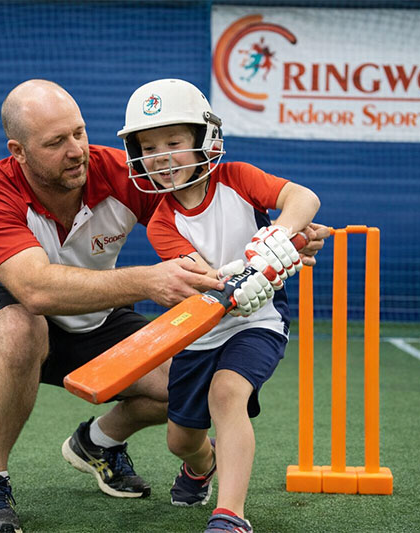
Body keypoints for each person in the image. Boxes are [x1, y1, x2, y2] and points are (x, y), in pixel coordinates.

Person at [0, 79, 328, 533]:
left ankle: (98, 442)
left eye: (79, 132)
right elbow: (35, 289)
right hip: (8, 309)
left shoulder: (118, 171)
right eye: (55, 143)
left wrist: (280, 238)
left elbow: (199, 215)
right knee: (21, 329)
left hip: (97, 313)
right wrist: (149, 280)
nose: (76, 151)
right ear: (19, 151)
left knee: (187, 386)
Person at [117, 78, 320, 533]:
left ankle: (230, 515)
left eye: (173, 142)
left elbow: (303, 199)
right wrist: (271, 257)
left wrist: (283, 234)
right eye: (149, 148)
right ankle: (199, 466)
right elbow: (207, 280)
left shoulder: (239, 178)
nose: (162, 156)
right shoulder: (161, 223)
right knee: (180, 439)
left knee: (227, 395)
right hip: (200, 328)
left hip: (258, 321)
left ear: (205, 140)